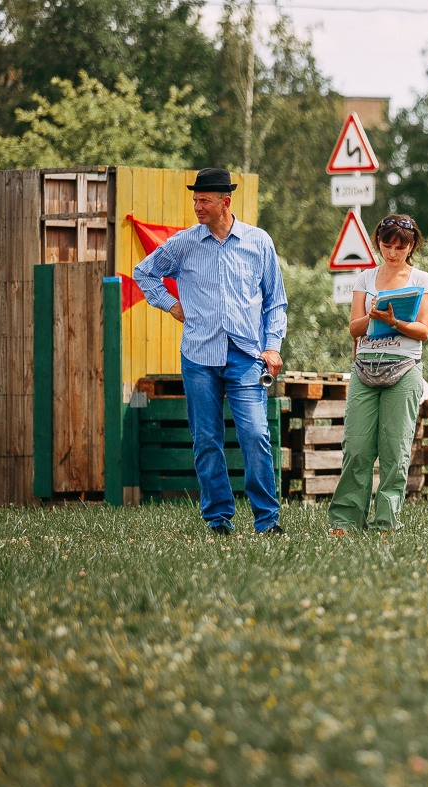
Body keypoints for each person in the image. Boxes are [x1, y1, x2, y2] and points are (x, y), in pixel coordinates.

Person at [133, 168, 288, 536]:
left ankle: (267, 521)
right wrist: (170, 304)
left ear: (225, 202)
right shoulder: (184, 243)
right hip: (199, 357)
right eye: (195, 200)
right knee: (206, 439)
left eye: (204, 200)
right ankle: (218, 519)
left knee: (255, 435)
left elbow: (275, 301)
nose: (197, 207)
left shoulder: (258, 242)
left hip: (246, 356)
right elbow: (144, 273)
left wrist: (273, 346)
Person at [328, 214, 428, 534]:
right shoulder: (365, 278)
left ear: (411, 245)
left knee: (395, 450)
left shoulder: (421, 280)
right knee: (357, 447)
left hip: (404, 370)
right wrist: (373, 316)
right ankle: (346, 520)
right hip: (364, 368)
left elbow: (423, 331)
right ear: (378, 243)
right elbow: (354, 328)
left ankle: (386, 522)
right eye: (386, 245)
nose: (392, 251)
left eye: (399, 246)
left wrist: (393, 321)